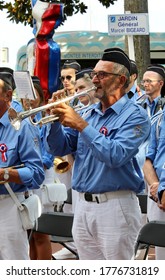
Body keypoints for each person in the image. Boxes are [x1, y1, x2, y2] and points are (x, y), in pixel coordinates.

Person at [45, 47, 151, 260]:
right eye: (94, 74)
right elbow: (59, 148)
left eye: (102, 75)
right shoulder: (88, 113)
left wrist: (81, 125)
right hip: (83, 207)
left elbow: (116, 155)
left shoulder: (136, 116)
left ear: (120, 81)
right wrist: (55, 122)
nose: (95, 79)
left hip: (115, 207)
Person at [0, 72, 45, 260]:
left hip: (9, 204)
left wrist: (5, 174)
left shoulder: (23, 125)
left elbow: (36, 173)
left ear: (8, 96)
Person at [21, 76, 55, 260]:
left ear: (41, 98)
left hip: (42, 179)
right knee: (29, 232)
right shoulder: (19, 120)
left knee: (41, 232)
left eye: (33, 95)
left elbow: (49, 155)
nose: (29, 100)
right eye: (25, 96)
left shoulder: (46, 120)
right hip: (26, 180)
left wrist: (30, 165)